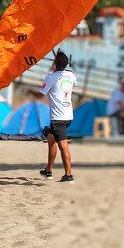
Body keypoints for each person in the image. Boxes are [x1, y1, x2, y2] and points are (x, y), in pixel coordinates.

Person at [38, 51, 76, 182]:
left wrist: (30, 91)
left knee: (63, 146)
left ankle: (69, 174)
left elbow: (41, 93)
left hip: (58, 118)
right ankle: (48, 170)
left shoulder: (51, 77)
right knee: (51, 140)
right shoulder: (71, 75)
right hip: (68, 115)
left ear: (54, 63)